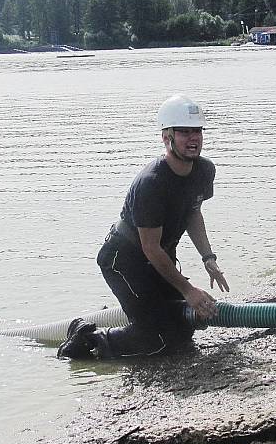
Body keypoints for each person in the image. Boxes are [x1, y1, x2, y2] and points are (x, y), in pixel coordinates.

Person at [58, 94, 229, 359]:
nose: (193, 138)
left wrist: (208, 258)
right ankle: (87, 337)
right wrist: (188, 290)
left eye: (197, 131)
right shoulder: (152, 182)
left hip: (159, 257)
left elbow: (193, 212)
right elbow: (150, 248)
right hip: (125, 261)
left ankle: (136, 320)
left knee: (182, 330)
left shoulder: (204, 170)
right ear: (166, 137)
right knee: (157, 339)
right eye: (184, 132)